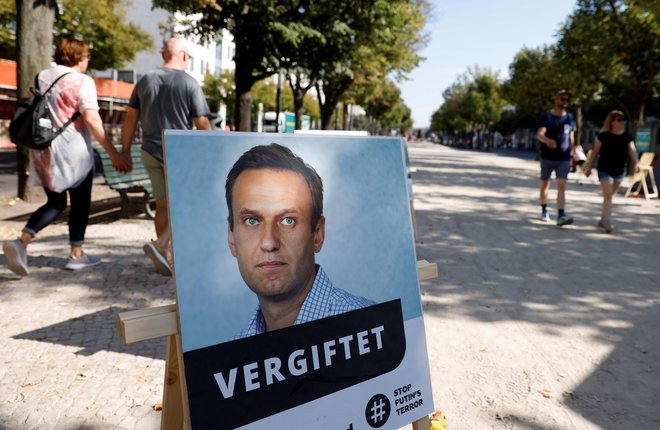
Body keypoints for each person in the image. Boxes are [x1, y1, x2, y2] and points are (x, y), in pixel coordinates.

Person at [2, 39, 131, 276]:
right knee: (80, 203)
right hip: (74, 153)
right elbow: (91, 119)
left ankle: (22, 242)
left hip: (44, 150)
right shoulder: (83, 81)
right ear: (80, 58)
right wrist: (113, 153)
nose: (87, 60)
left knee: (56, 202)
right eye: (86, 57)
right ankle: (76, 254)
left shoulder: (42, 76)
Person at [225, 144, 375, 338]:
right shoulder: (234, 354)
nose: (269, 243)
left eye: (288, 221)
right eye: (251, 221)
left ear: (318, 234)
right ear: (231, 238)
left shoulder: (368, 327)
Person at [121, 37, 211, 276]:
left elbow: (130, 119)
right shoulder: (189, 83)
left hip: (149, 150)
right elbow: (201, 122)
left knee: (162, 205)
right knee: (188, 204)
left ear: (164, 55)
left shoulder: (144, 80)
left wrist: (124, 150)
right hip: (178, 152)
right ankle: (161, 245)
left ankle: (164, 257)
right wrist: (214, 147)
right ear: (184, 55)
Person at [582, 110, 640, 233]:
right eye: (619, 119)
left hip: (619, 170)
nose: (622, 122)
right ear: (612, 122)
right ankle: (607, 221)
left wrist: (636, 163)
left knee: (609, 196)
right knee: (608, 194)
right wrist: (589, 167)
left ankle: (603, 217)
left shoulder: (627, 137)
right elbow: (594, 153)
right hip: (604, 169)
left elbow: (632, 151)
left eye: (623, 119)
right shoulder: (602, 136)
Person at [536, 89, 576, 226]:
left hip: (563, 157)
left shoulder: (570, 117)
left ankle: (561, 215)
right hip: (547, 157)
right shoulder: (547, 117)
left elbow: (571, 136)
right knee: (545, 184)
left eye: (567, 100)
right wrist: (547, 141)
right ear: (556, 100)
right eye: (562, 99)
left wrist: (573, 153)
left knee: (561, 184)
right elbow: (540, 134)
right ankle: (544, 209)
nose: (565, 102)